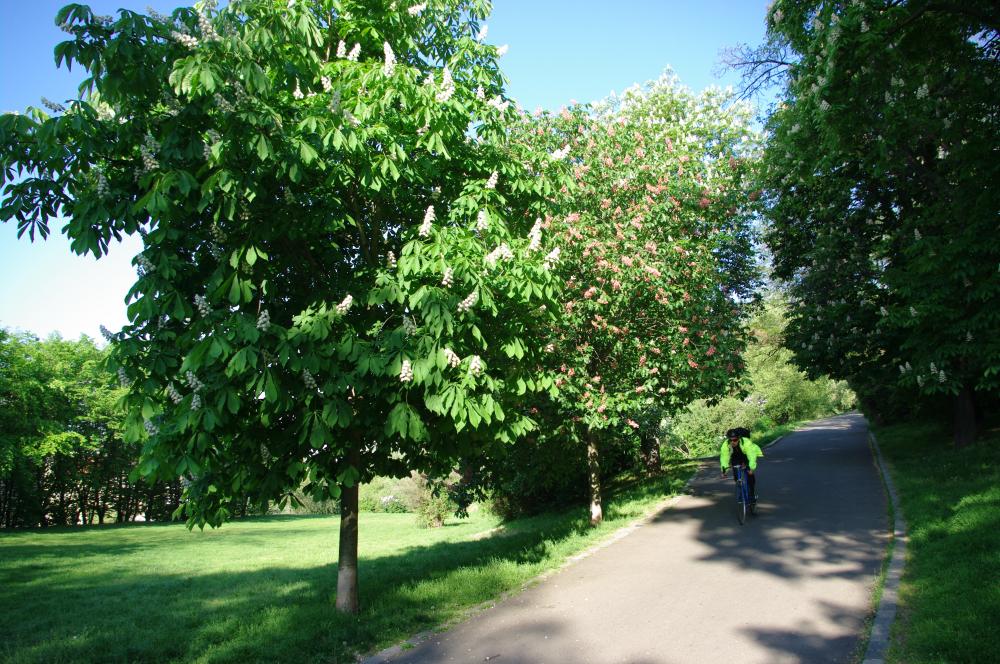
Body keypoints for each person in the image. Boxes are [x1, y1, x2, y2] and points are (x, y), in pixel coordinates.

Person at [720, 427, 763, 503]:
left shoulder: (746, 442)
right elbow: (724, 457)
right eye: (731, 440)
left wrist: (751, 468)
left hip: (746, 455)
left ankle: (751, 496)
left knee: (749, 475)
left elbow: (751, 455)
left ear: (739, 438)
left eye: (735, 440)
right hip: (735, 457)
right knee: (737, 476)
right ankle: (741, 494)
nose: (733, 442)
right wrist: (724, 471)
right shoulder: (726, 444)